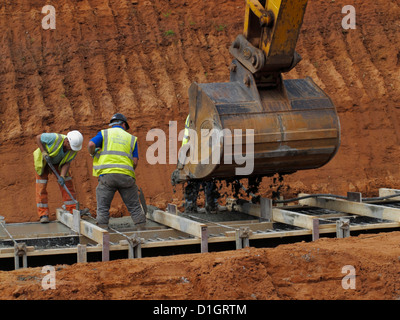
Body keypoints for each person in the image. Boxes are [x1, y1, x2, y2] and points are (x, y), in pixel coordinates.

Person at [88, 113, 146, 229]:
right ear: (123, 124)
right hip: (126, 177)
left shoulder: (104, 133)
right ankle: (142, 229)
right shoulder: (131, 139)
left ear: (112, 125)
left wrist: (92, 153)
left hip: (107, 176)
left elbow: (91, 144)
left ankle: (103, 231)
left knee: (103, 207)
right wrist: (128, 172)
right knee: (134, 207)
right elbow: (135, 162)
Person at [33, 130, 83, 223]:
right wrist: (43, 152)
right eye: (70, 147)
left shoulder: (73, 149)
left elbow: (67, 162)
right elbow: (38, 138)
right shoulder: (54, 138)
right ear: (67, 141)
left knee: (67, 183)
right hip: (44, 160)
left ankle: (72, 210)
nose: (71, 149)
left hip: (59, 163)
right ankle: (43, 214)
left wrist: (62, 176)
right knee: (41, 186)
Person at [179, 115, 219, 214]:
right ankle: (211, 205)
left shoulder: (192, 115)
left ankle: (191, 206)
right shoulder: (206, 112)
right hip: (201, 149)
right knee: (208, 177)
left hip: (192, 149)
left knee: (194, 178)